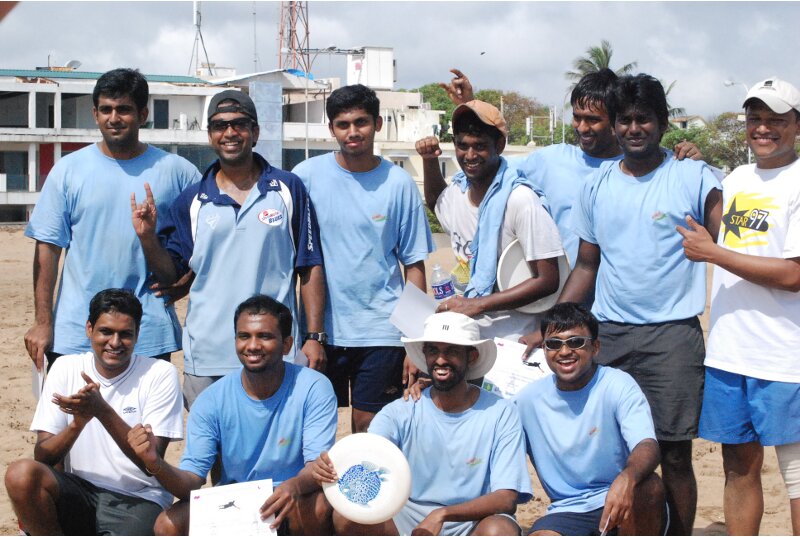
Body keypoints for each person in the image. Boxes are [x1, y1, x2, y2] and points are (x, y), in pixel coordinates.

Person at [555, 74, 722, 535]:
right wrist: (552, 324)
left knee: (673, 453)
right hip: (609, 335)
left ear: (663, 124)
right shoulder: (596, 185)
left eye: (644, 119)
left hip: (673, 336)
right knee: (615, 450)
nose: (634, 129)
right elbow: (587, 265)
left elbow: (731, 238)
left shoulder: (692, 175)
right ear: (614, 126)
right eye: (625, 120)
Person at [131, 89, 325, 408]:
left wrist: (314, 337)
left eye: (240, 124)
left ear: (255, 132)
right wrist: (148, 238)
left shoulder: (289, 189)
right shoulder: (192, 200)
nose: (230, 132)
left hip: (276, 350)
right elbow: (172, 276)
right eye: (220, 126)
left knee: (276, 450)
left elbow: (310, 266)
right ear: (210, 135)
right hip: (207, 355)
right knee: (215, 455)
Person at [419, 68, 702, 272]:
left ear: (617, 120)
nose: (581, 127)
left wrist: (690, 155)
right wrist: (471, 107)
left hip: (619, 308)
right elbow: (485, 162)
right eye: (577, 117)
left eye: (592, 119)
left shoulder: (653, 168)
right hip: (564, 304)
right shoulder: (550, 161)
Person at [678, 77, 800, 535]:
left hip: (786, 357)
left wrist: (714, 253)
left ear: (797, 126)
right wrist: (690, 159)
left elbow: (794, 275)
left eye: (776, 120)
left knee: (796, 478)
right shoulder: (736, 179)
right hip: (730, 352)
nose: (763, 128)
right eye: (755, 119)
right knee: (738, 468)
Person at [23, 68, 200, 370]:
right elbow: (47, 250)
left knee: (141, 420)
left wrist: (188, 281)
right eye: (106, 109)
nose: (114, 118)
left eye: (124, 109)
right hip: (76, 332)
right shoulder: (68, 171)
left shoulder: (178, 171)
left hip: (148, 332)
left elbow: (208, 234)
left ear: (143, 114)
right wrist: (43, 322)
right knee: (74, 418)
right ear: (95, 113)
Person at [128, 294, 338, 536]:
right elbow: (192, 482)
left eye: (265, 336)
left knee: (321, 506)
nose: (252, 345)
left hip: (292, 496)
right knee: (168, 524)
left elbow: (316, 466)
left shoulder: (313, 387)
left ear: (288, 344)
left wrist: (294, 485)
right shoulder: (211, 399)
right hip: (235, 502)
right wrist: (156, 463)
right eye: (244, 336)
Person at [292, 84, 435, 433]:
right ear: (331, 129)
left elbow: (414, 267)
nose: (352, 132)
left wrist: (413, 341)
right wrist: (306, 332)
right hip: (321, 332)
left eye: (361, 122)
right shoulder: (305, 178)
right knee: (313, 428)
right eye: (343, 124)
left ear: (378, 124)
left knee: (370, 429)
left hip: (382, 331)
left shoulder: (399, 183)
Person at [312, 311, 532, 536]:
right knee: (346, 518)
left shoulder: (501, 412)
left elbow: (506, 498)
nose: (440, 360)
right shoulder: (401, 410)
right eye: (433, 350)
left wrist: (442, 514)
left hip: (472, 522)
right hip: (404, 521)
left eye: (452, 351)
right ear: (424, 354)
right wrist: (332, 466)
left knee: (499, 530)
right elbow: (366, 453)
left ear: (472, 356)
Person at [5, 289, 184, 536]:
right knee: (20, 474)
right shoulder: (65, 367)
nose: (115, 342)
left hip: (140, 497)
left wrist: (101, 411)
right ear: (89, 329)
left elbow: (150, 465)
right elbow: (43, 456)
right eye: (106, 331)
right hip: (80, 491)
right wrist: (77, 424)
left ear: (138, 334)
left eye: (125, 334)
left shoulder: (160, 374)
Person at [416, 98, 563, 342]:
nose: (470, 155)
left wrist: (478, 305)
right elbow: (436, 203)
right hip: (468, 337)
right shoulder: (457, 193)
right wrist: (430, 160)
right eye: (462, 146)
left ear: (500, 145)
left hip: (515, 340)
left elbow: (548, 280)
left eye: (480, 146)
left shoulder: (520, 201)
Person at [515, 303, 665, 536]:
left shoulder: (618, 384)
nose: (564, 351)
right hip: (566, 511)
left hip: (621, 501)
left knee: (649, 486)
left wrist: (627, 478)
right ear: (544, 349)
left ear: (595, 347)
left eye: (576, 342)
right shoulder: (526, 400)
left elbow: (647, 445)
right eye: (554, 344)